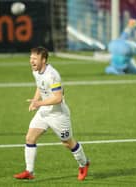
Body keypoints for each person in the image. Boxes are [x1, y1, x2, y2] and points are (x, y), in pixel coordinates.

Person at [14, 46, 89, 181]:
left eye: (34, 59)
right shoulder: (36, 71)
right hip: (44, 111)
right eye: (30, 58)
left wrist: (39, 104)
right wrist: (36, 100)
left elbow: (58, 98)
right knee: (30, 138)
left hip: (58, 115)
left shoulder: (52, 75)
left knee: (67, 143)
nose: (31, 61)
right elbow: (40, 85)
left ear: (43, 60)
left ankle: (84, 164)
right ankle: (29, 171)